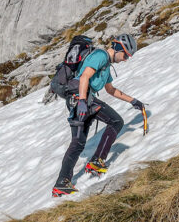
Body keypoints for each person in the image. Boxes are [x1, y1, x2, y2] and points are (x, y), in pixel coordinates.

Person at [52, 33, 145, 197]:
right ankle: (96, 161)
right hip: (82, 99)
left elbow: (110, 90)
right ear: (117, 48)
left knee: (78, 142)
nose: (125, 59)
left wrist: (133, 101)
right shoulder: (101, 56)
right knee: (116, 121)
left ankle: (62, 182)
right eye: (125, 55)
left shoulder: (106, 66)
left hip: (79, 100)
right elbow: (85, 77)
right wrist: (82, 101)